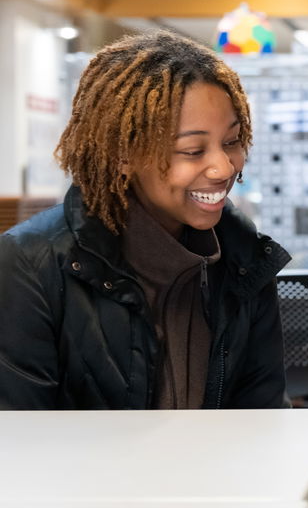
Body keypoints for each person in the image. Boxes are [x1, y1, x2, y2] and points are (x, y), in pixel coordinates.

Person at [0, 30, 291, 409]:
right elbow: (18, 441)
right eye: (192, 150)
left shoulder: (243, 257)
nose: (223, 167)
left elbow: (262, 419)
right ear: (122, 155)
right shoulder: (29, 264)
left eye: (232, 141)